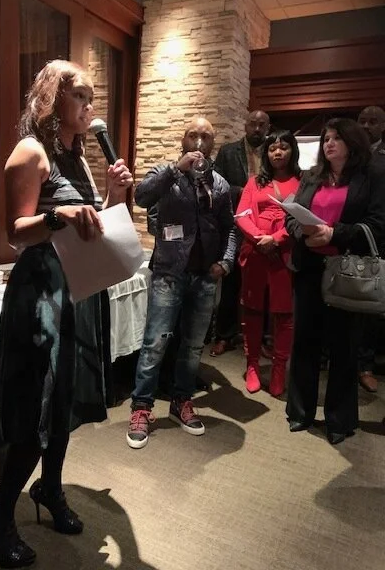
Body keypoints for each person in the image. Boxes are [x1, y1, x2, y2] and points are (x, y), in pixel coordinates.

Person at [0, 60, 133, 568]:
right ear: (53, 99)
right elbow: (15, 232)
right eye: (80, 96)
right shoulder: (31, 152)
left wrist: (112, 196)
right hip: (40, 294)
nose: (89, 106)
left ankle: (50, 488)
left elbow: (91, 227)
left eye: (91, 98)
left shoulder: (78, 156)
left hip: (75, 288)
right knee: (36, 407)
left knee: (63, 402)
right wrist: (55, 215)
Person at [127, 118, 237, 449]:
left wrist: (226, 262)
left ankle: (181, 401)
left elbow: (230, 227)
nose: (200, 141)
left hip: (205, 277)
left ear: (213, 144)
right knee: (155, 343)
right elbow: (142, 197)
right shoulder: (167, 172)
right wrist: (176, 169)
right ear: (183, 140)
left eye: (206, 136)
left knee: (192, 346)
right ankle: (141, 407)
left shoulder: (220, 184)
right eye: (194, 135)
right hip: (168, 274)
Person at [285, 118, 385, 445]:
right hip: (309, 268)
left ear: (352, 143)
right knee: (304, 343)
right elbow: (291, 216)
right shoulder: (312, 176)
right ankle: (300, 412)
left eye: (336, 138)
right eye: (326, 138)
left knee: (344, 346)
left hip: (347, 270)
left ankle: (340, 420)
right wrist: (302, 232)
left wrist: (334, 234)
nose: (328, 143)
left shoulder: (372, 176)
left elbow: (378, 225)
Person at [235, 131, 301, 396]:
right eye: (272, 148)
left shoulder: (303, 182)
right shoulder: (254, 182)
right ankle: (252, 365)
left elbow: (304, 218)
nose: (277, 152)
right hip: (255, 252)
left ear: (292, 150)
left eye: (283, 147)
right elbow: (241, 214)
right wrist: (260, 239)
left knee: (284, 314)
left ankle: (278, 368)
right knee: (252, 310)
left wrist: (276, 239)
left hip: (285, 254)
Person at [210, 110, 270, 356]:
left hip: (264, 226)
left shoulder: (273, 152)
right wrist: (244, 192)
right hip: (234, 223)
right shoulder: (228, 152)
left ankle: (261, 338)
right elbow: (216, 183)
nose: (256, 129)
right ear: (245, 125)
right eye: (252, 124)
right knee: (231, 282)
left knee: (262, 285)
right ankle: (224, 336)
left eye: (261, 125)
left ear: (268, 128)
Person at [354, 105, 385, 392]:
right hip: (347, 239)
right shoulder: (348, 155)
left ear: (382, 126)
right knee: (338, 296)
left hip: (377, 241)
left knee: (370, 307)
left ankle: (365, 364)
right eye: (362, 120)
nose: (366, 126)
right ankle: (330, 356)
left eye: (373, 121)